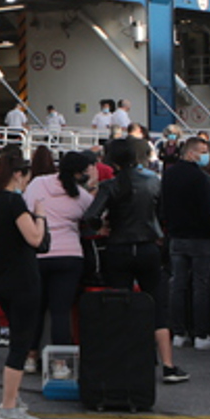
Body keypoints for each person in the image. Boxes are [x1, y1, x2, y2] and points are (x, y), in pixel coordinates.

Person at [82, 138, 184, 383]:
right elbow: (163, 215)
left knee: (121, 304)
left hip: (119, 248)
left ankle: (125, 360)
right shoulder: (152, 181)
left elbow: (91, 217)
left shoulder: (110, 186)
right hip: (148, 246)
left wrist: (104, 226)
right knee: (157, 304)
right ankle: (168, 365)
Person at [0, 146, 49, 419]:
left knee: (16, 339)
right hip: (24, 278)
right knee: (21, 344)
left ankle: (14, 399)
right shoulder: (14, 203)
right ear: (19, 174)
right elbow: (34, 239)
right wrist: (41, 216)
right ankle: (8, 406)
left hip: (1, 276)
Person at [160, 134, 210, 351]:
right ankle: (201, 333)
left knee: (177, 284)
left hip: (177, 236)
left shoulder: (169, 176)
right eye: (203, 152)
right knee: (200, 286)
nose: (206, 157)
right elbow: (209, 211)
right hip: (201, 238)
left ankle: (178, 332)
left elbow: (162, 206)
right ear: (191, 153)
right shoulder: (203, 179)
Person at [25, 150, 93, 353]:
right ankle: (60, 362)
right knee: (60, 312)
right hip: (70, 254)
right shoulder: (81, 195)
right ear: (80, 174)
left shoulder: (38, 184)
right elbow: (93, 214)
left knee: (36, 309)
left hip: (39, 252)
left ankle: (30, 355)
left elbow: (25, 207)